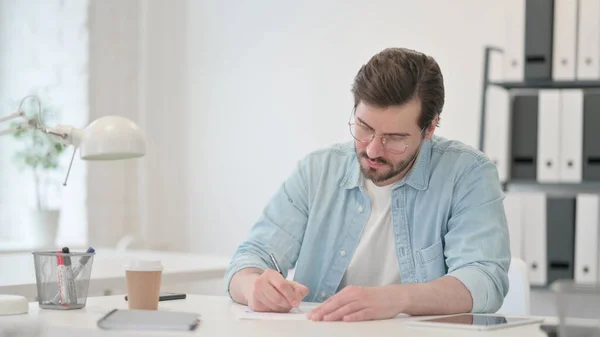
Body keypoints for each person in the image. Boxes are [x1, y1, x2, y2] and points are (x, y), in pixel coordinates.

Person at [224, 47, 511, 322]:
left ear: (430, 128)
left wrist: (398, 299)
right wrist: (254, 288)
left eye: (394, 137)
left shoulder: (468, 174)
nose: (373, 150)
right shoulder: (318, 171)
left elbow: (483, 279)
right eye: (364, 127)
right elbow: (250, 258)